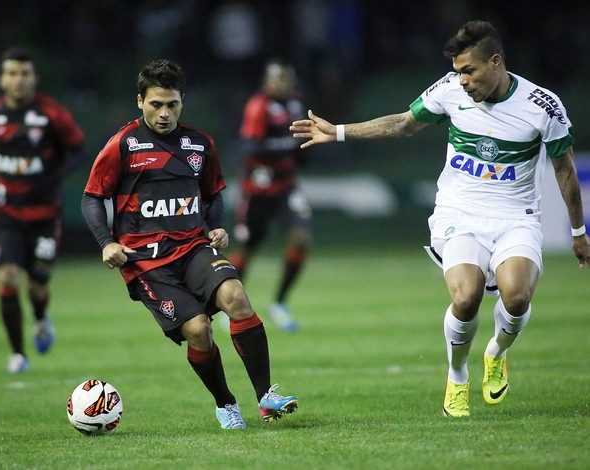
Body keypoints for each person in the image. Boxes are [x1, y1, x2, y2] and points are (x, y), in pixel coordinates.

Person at [291, 20, 590, 417]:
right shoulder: (449, 91)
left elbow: (565, 170)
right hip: (459, 213)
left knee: (516, 297)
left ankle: (496, 353)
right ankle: (458, 374)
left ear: (496, 62)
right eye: (457, 71)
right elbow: (403, 124)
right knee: (465, 298)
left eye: (469, 70)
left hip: (516, 216)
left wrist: (578, 231)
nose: (461, 80)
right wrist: (341, 132)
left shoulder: (541, 106)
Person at [81, 59, 298, 429]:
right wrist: (106, 242)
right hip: (147, 262)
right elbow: (91, 198)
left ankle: (265, 397)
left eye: (172, 104)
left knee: (237, 297)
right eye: (156, 104)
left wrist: (216, 227)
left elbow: (213, 194)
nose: (164, 113)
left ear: (182, 101)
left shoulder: (199, 143)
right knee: (198, 329)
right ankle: (226, 403)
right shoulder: (123, 145)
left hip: (194, 248)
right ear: (140, 101)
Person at [0, 47, 86, 373]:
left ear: (34, 78)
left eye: (24, 74)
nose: (18, 80)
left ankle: (40, 318)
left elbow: (78, 151)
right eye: (12, 73)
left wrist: (54, 177)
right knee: (8, 278)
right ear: (2, 79)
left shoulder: (53, 115)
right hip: (7, 214)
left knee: (37, 285)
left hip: (44, 216)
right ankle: (18, 355)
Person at [229, 59, 311, 332]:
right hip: (257, 190)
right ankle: (227, 303)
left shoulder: (297, 103)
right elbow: (251, 147)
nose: (282, 85)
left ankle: (279, 303)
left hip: (286, 185)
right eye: (277, 79)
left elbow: (305, 145)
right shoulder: (258, 106)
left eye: (286, 79)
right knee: (247, 247)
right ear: (267, 82)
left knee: (301, 239)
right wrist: (291, 145)